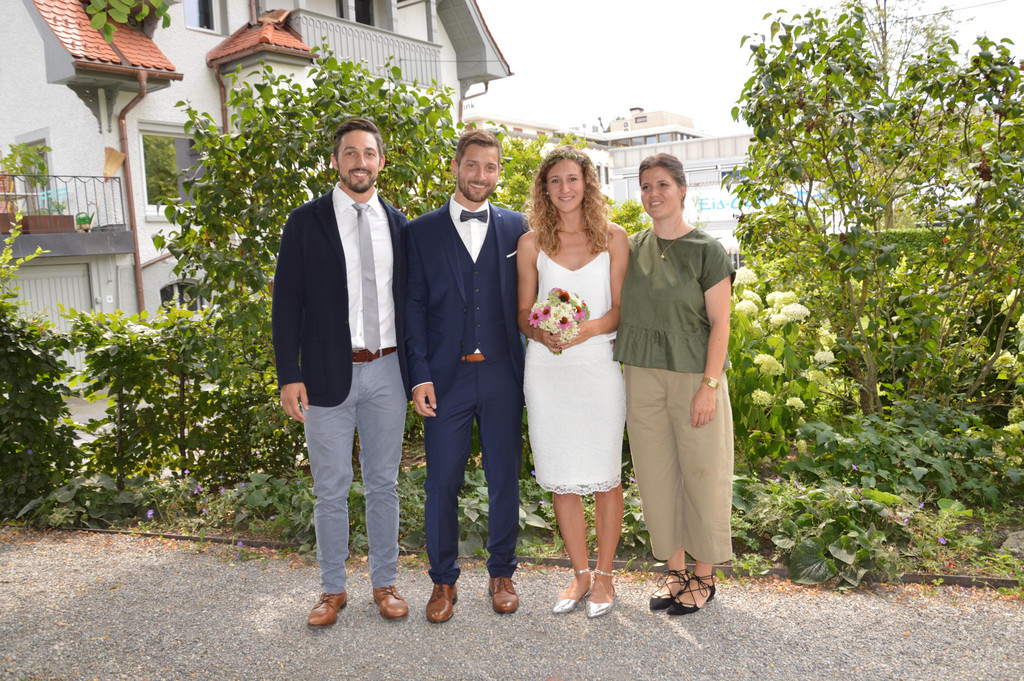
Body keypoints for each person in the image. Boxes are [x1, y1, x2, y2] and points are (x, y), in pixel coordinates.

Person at [272, 118, 411, 626]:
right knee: (330, 489)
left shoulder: (398, 224)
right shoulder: (304, 222)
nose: (360, 162)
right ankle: (332, 590)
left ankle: (385, 583)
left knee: (383, 484)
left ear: (380, 161)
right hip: (326, 375)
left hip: (389, 371)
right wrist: (289, 374)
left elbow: (411, 303)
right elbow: (286, 304)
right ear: (335, 161)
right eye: (350, 152)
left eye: (369, 153)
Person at [404, 128, 527, 623]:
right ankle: (443, 580)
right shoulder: (419, 231)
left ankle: (502, 573)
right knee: (441, 481)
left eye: (490, 167)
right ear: (456, 166)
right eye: (472, 165)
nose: (480, 175)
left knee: (505, 477)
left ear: (498, 172)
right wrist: (418, 376)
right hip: (444, 378)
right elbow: (411, 309)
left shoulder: (518, 227)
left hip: (502, 376)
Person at [614, 153, 735, 616]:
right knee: (656, 475)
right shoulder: (631, 247)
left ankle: (704, 574)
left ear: (683, 190)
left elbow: (721, 323)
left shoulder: (707, 250)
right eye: (646, 186)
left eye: (662, 185)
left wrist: (709, 385)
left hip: (693, 377)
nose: (653, 194)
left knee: (703, 474)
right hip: (641, 376)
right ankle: (675, 570)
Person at [516, 146, 628, 618]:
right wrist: (540, 332)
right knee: (562, 478)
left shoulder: (614, 238)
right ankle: (580, 574)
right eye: (555, 180)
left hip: (598, 367)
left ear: (587, 184)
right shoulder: (531, 243)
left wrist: (588, 329)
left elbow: (620, 310)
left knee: (605, 475)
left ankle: (605, 576)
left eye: (573, 179)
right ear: (545, 188)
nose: (565, 188)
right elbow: (523, 313)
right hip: (548, 372)